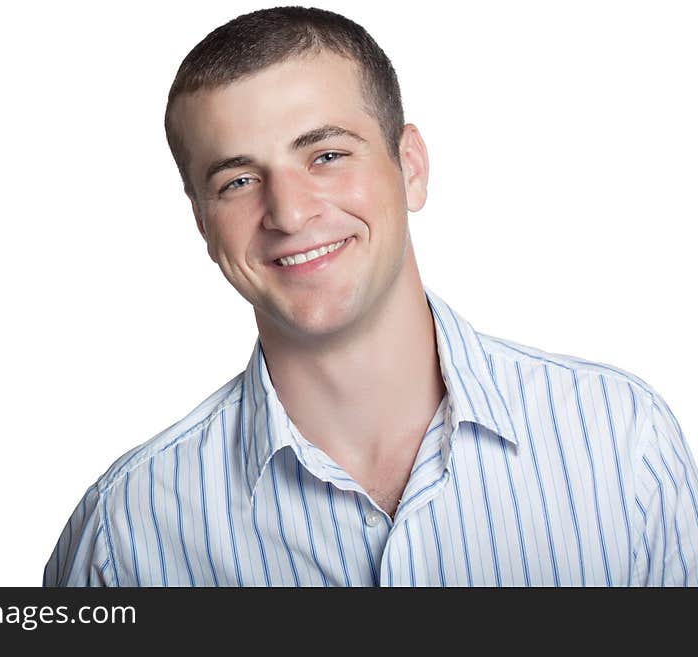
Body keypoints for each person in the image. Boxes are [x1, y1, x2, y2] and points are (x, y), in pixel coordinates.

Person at [44, 6, 697, 587]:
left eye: (326, 155)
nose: (291, 213)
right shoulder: (124, 534)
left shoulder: (622, 442)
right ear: (203, 225)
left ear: (410, 167)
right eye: (239, 180)